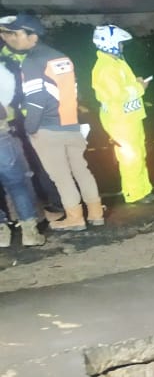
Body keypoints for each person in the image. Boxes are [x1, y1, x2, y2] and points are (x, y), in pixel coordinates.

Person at [0, 14, 101, 231]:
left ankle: (75, 218)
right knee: (82, 171)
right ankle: (95, 212)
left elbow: (36, 102)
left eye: (14, 34)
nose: (9, 39)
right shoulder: (60, 57)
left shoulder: (32, 62)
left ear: (31, 35)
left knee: (61, 176)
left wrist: (30, 128)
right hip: (71, 125)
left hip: (47, 128)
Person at [0, 15, 64, 222]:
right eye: (5, 34)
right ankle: (36, 214)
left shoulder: (40, 53)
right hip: (17, 122)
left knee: (49, 164)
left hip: (46, 117)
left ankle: (59, 205)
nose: (7, 37)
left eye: (11, 33)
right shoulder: (6, 60)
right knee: (26, 170)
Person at [91, 24, 154, 205]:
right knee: (130, 158)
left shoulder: (116, 63)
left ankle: (143, 190)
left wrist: (135, 83)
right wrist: (139, 87)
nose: (122, 47)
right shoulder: (106, 68)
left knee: (139, 155)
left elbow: (123, 87)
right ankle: (134, 194)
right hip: (120, 121)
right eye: (120, 43)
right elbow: (117, 95)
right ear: (110, 43)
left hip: (130, 118)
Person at [0, 52, 44, 247]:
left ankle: (2, 235)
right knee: (17, 184)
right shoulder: (3, 72)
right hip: (1, 136)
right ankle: (29, 233)